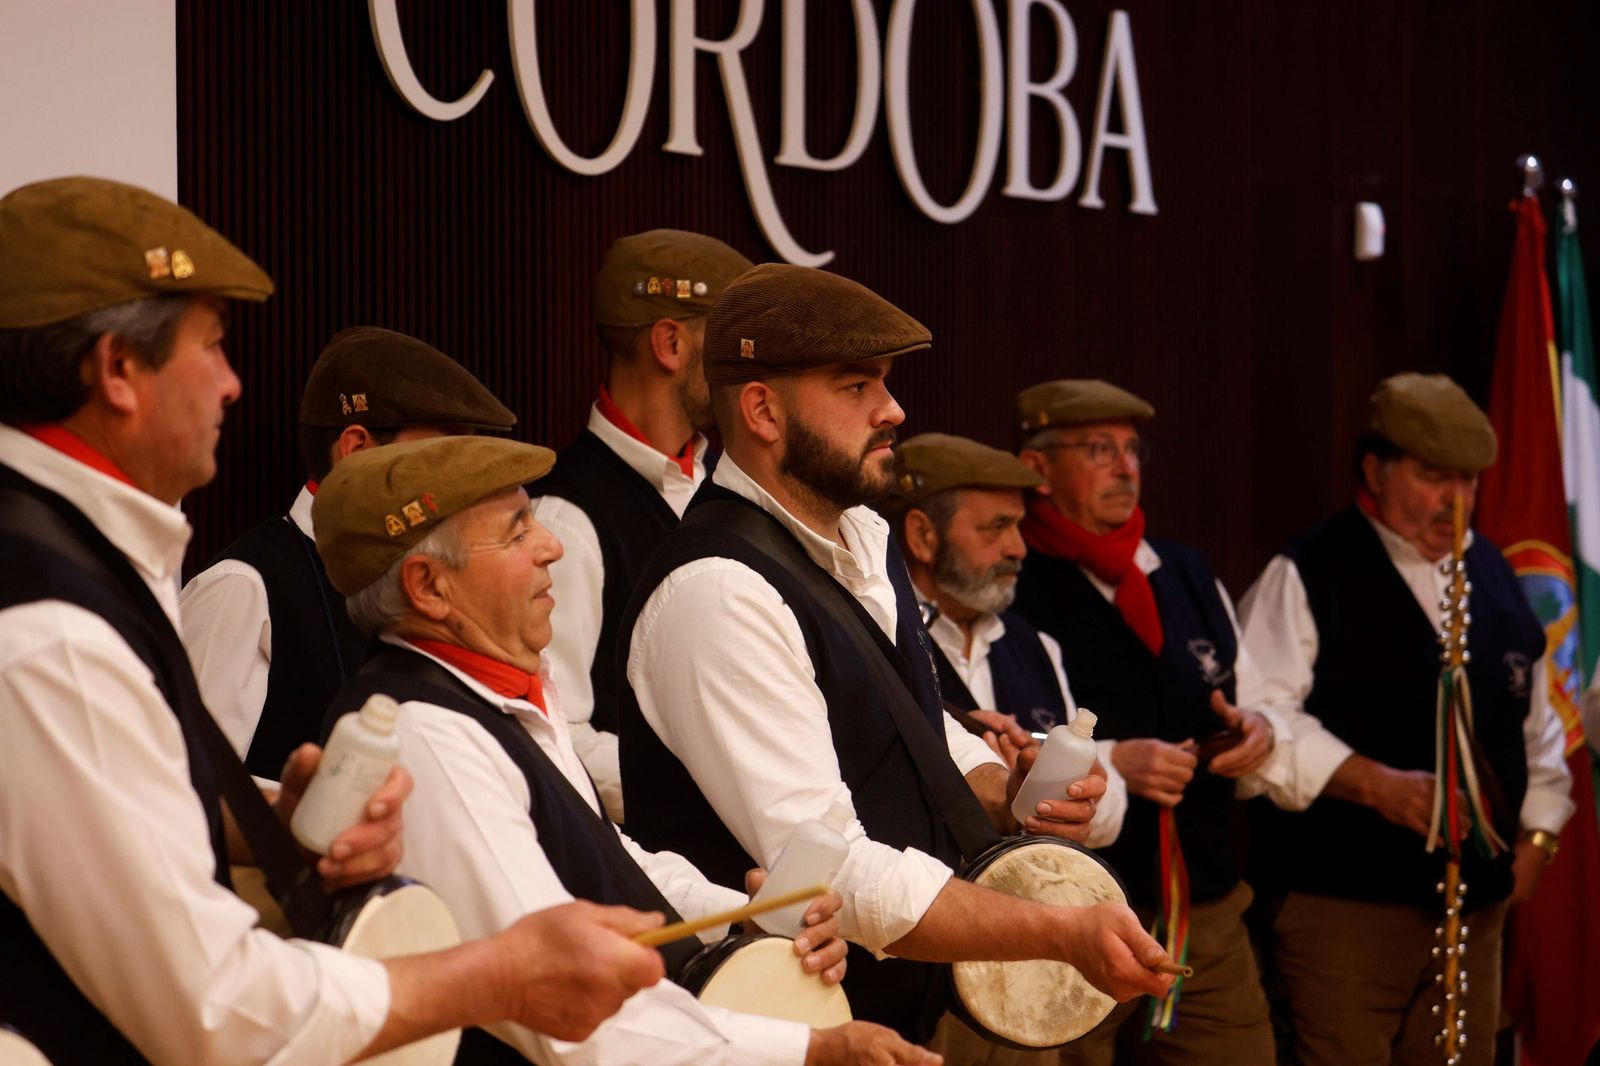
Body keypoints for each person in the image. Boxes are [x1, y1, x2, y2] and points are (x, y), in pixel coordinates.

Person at [0, 176, 665, 1063]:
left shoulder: (69, 566)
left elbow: (103, 808)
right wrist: (496, 977)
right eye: (213, 346)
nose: (234, 384)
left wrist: (272, 820)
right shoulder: (51, 628)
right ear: (120, 370)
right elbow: (217, 1007)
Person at [618, 264, 1175, 1052]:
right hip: (786, 1031)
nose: (893, 409)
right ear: (762, 409)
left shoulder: (865, 539)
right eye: (856, 386)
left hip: (900, 1010)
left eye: (884, 381)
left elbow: (916, 726)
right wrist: (1055, 931)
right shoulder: (716, 593)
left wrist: (1002, 786)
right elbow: (827, 870)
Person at [310, 433, 940, 1065]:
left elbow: (602, 859)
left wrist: (743, 918)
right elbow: (564, 1006)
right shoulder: (430, 738)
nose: (551, 546)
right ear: (429, 588)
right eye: (517, 531)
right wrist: (809, 1049)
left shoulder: (502, 696)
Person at [1237, 372, 1575, 1066]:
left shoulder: (1494, 572)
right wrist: (1375, 785)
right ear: (1375, 470)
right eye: (1433, 478)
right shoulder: (1310, 571)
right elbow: (1259, 721)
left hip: (1474, 914)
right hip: (1346, 910)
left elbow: (1535, 724)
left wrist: (1538, 838)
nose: (1456, 502)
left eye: (1469, 482)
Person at [1010, 379, 1280, 1063]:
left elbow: (1247, 692)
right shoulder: (1012, 579)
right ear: (1037, 467)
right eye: (1099, 450)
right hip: (1069, 913)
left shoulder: (1185, 570)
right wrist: (1114, 758)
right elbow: (985, 736)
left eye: (1133, 451)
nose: (1126, 469)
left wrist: (1256, 731)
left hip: (1206, 911)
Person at [180, 325, 515, 774]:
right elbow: (194, 789)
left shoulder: (432, 581)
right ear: (355, 449)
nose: (455, 481)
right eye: (437, 455)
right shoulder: (244, 589)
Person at [530, 228, 753, 822]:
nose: (744, 370)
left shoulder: (724, 485)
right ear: (671, 343)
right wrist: (712, 798)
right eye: (728, 345)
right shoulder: (567, 519)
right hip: (663, 867)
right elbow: (558, 731)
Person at [883, 431, 1127, 848]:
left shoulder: (1036, 646)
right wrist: (995, 780)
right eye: (997, 528)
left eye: (1019, 526)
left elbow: (1109, 819)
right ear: (923, 535)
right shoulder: (883, 637)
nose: (1018, 549)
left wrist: (1077, 798)